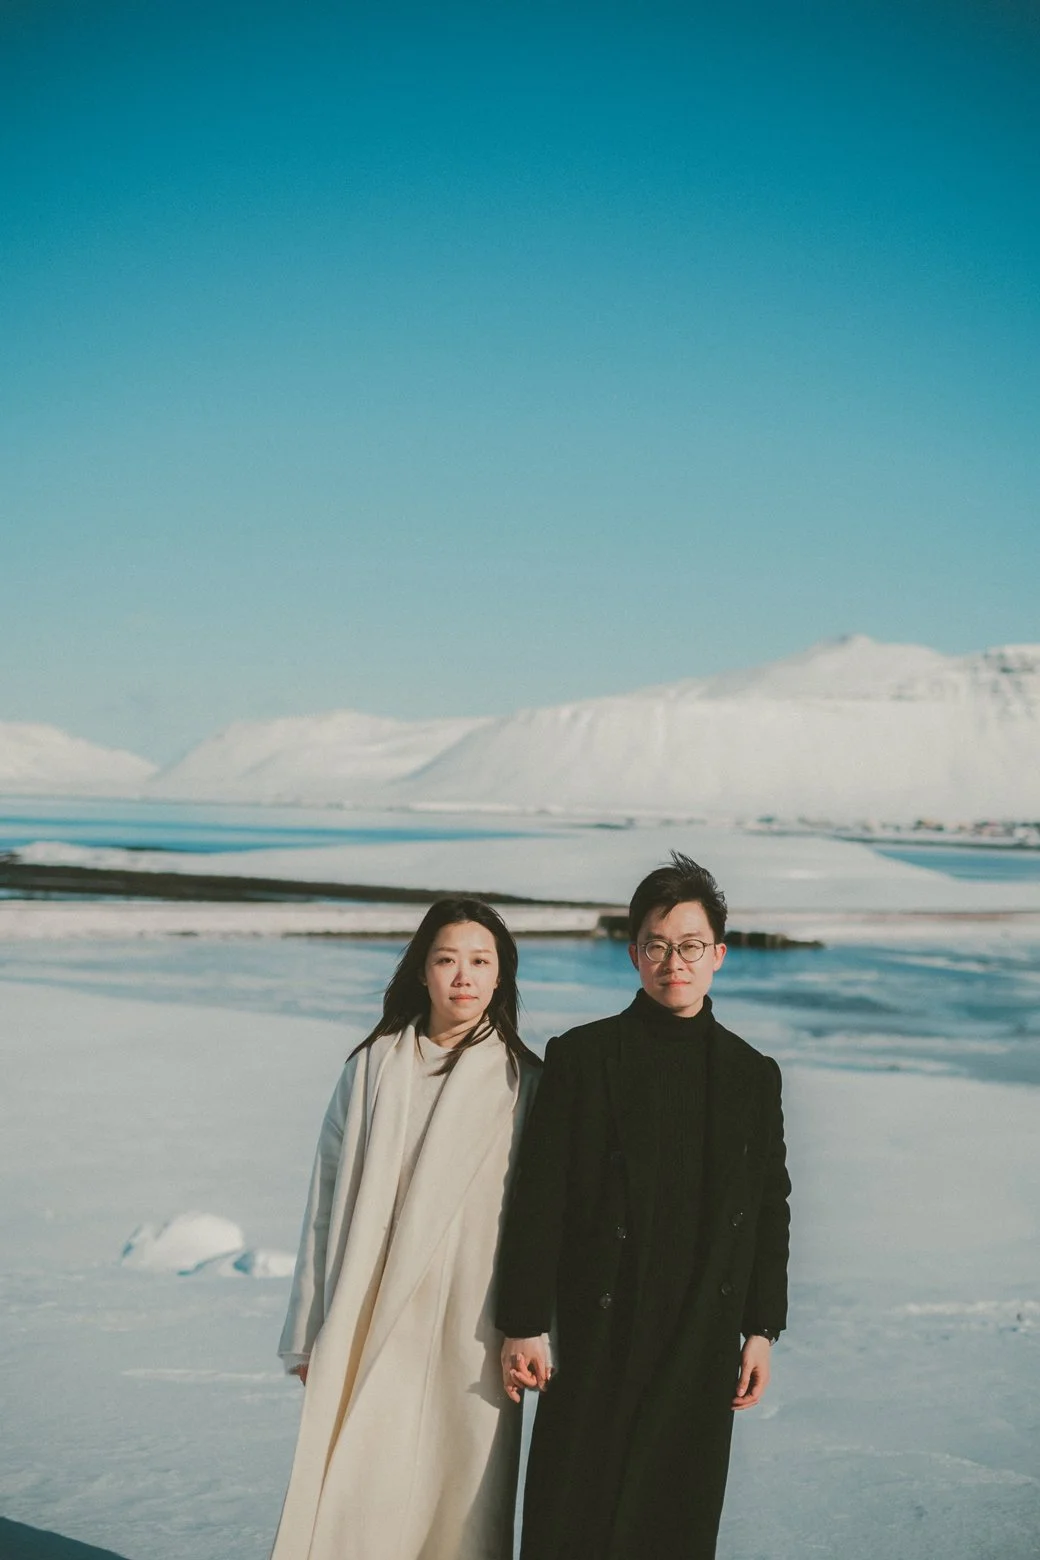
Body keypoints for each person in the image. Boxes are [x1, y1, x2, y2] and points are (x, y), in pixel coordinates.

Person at [495, 852, 791, 1560]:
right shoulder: (583, 1057)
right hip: (599, 1327)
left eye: (690, 946)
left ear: (719, 953)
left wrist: (760, 1327)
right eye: (656, 946)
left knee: (673, 1525)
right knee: (574, 1518)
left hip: (699, 1329)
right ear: (632, 953)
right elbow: (539, 1192)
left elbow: (770, 1205)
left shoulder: (752, 1076)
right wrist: (525, 1322)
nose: (673, 963)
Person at [271, 898, 540, 1560]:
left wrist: (534, 1328)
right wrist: (310, 1331)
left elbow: (544, 1220)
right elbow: (324, 1201)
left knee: (456, 1507)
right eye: (447, 961)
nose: (463, 978)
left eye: (481, 962)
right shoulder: (371, 1068)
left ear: (501, 975)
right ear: (421, 971)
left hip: (471, 1328)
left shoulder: (524, 1081)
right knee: (361, 1500)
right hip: (370, 1314)